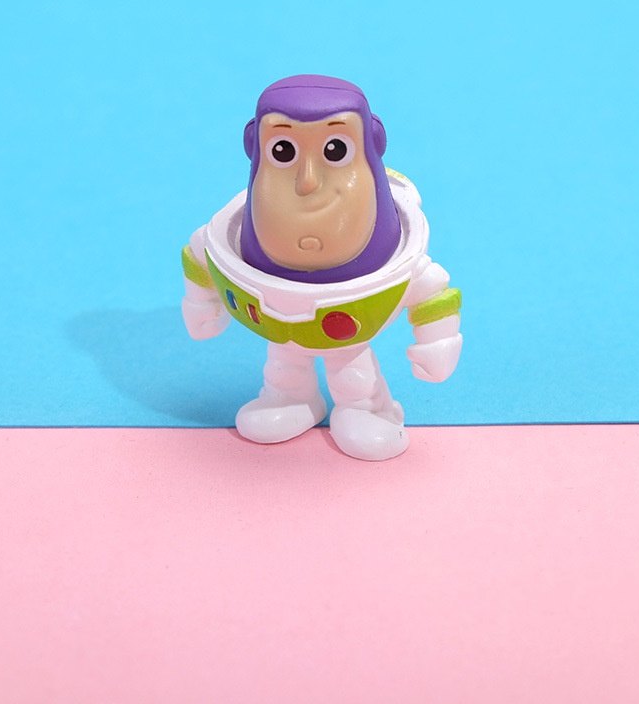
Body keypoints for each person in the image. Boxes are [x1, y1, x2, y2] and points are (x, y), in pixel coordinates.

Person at [182, 75, 462, 460]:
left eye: (335, 149)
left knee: (352, 371)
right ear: (255, 145)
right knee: (285, 363)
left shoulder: (398, 250)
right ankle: (290, 397)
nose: (309, 181)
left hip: (354, 317)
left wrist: (439, 342)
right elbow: (201, 252)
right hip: (275, 316)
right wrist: (202, 301)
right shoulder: (228, 233)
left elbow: (431, 287)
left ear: (371, 142)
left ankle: (366, 408)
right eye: (283, 150)